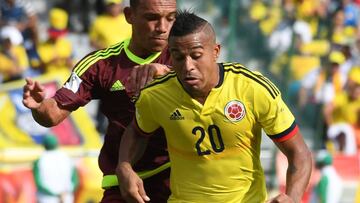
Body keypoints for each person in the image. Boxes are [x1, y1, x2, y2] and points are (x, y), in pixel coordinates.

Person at [116, 11, 312, 203]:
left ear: (215, 51)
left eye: (196, 55)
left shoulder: (252, 89)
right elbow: (137, 132)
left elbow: (299, 153)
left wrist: (292, 197)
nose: (188, 66)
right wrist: (124, 166)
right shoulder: (156, 95)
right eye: (178, 57)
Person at [22, 0, 177, 202]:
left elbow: (209, 91)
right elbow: (52, 114)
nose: (162, 28)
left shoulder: (184, 56)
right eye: (152, 18)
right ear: (129, 15)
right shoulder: (100, 65)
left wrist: (167, 74)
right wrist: (39, 106)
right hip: (121, 183)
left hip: (177, 175)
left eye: (170, 18)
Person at [33, 134, 79, 203]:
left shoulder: (39, 161)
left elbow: (39, 183)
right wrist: (63, 194)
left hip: (47, 199)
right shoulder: (67, 158)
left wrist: (56, 194)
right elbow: (75, 181)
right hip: (66, 198)